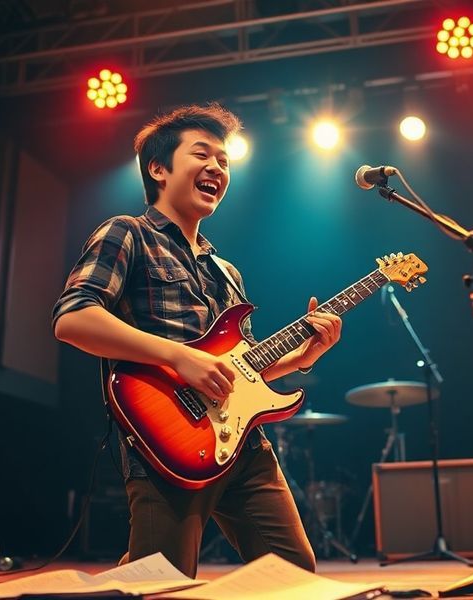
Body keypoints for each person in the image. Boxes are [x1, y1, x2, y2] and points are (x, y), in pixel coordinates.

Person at [51, 103, 342, 577]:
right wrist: (178, 357)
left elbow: (241, 371)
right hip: (166, 441)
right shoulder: (127, 234)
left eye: (224, 161)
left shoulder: (227, 272)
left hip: (243, 446)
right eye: (202, 155)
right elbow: (73, 317)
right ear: (159, 169)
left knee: (294, 574)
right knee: (159, 581)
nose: (217, 168)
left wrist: (301, 359)